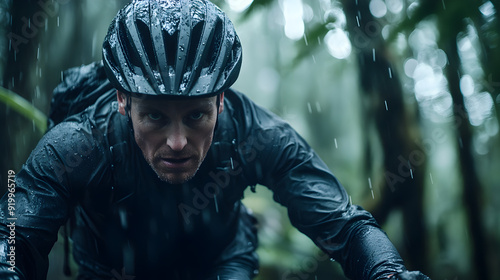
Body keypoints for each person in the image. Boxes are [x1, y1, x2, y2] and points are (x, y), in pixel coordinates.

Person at [0, 0, 431, 279]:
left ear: (221, 101)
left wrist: (388, 273)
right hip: (109, 269)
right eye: (153, 115)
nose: (176, 142)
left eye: (195, 115)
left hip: (221, 263)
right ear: (121, 101)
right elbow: (15, 228)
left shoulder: (259, 134)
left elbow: (345, 223)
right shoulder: (75, 144)